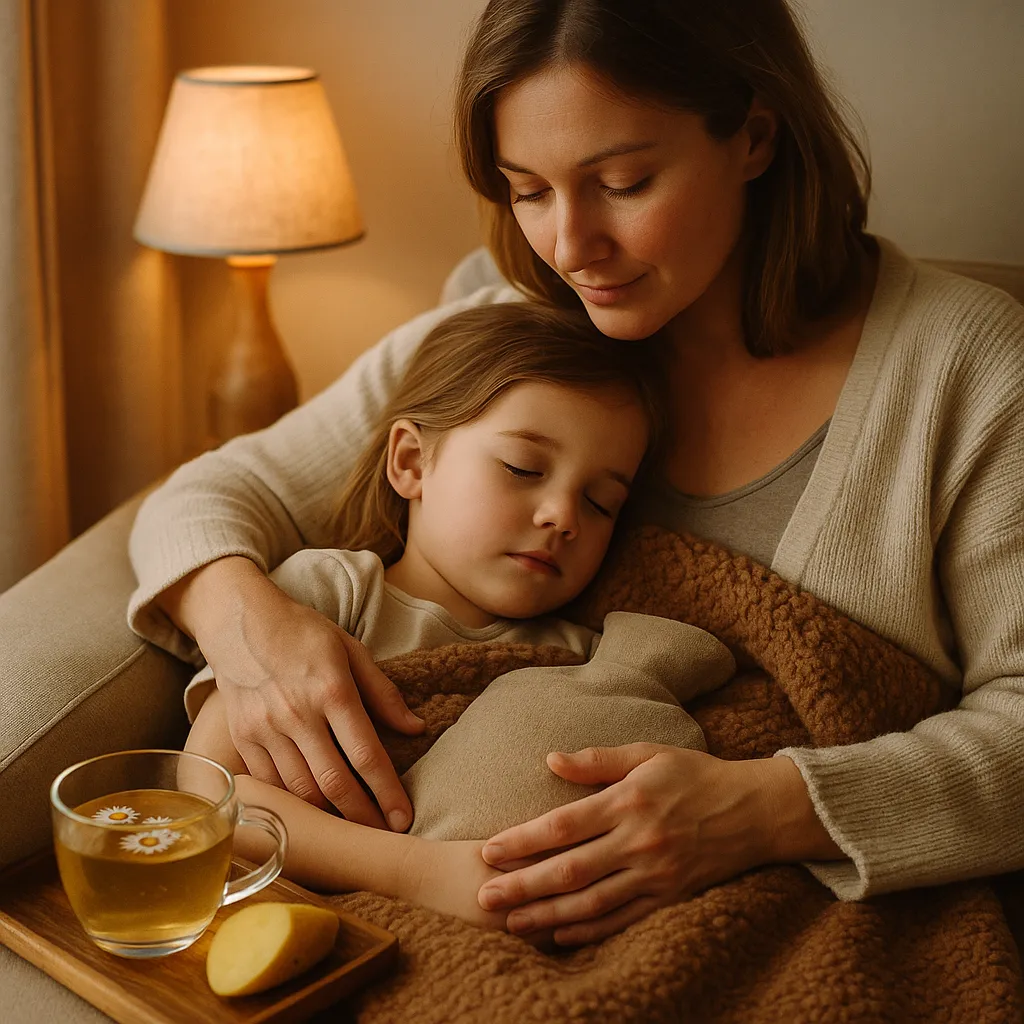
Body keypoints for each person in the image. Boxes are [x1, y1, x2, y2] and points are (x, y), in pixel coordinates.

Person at [128, 0, 1024, 949]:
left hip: (801, 914)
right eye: (528, 189)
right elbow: (205, 497)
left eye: (625, 182)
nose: (569, 247)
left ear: (755, 136)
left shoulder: (964, 368)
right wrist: (253, 629)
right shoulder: (509, 337)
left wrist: (766, 808)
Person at [182, 299, 734, 929]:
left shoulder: (581, 656)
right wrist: (418, 871)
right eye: (523, 468)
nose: (563, 515)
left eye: (601, 502)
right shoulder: (330, 596)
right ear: (412, 463)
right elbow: (206, 792)